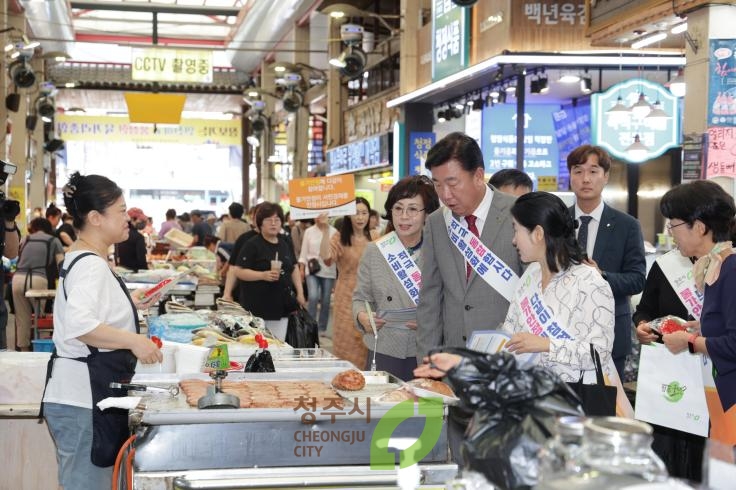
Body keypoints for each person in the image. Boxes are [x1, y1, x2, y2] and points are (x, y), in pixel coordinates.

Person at [42, 172, 162, 490]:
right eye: (121, 211)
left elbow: (89, 312)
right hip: (82, 399)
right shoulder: (91, 265)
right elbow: (81, 325)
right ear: (95, 218)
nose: (128, 218)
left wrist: (132, 303)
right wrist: (135, 340)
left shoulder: (86, 258)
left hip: (86, 396)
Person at [416, 192, 615, 381]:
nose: (513, 240)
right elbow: (508, 343)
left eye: (516, 230)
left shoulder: (590, 283)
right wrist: (460, 361)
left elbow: (600, 353)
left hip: (575, 405)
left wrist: (546, 345)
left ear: (537, 233)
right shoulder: (530, 276)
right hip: (527, 399)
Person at [417, 132, 524, 357]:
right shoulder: (437, 223)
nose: (445, 195)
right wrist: (427, 362)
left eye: (453, 183)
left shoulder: (519, 214)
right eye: (437, 185)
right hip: (452, 358)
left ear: (478, 175)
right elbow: (430, 299)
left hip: (507, 358)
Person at [651, 180, 736, 442]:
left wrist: (689, 342)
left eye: (673, 224)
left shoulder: (731, 269)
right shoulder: (715, 265)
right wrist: (702, 327)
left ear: (699, 227)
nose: (671, 233)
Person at [567, 144, 645, 379]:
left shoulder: (627, 225)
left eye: (593, 171)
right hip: (563, 332)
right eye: (578, 171)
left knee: (607, 409)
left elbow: (637, 280)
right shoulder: (557, 220)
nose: (585, 179)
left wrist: (601, 277)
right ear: (570, 176)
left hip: (609, 333)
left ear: (606, 176)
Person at [353, 176, 440, 380]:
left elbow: (451, 299)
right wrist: (362, 317)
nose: (404, 217)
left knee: (419, 410)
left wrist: (432, 321)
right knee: (385, 409)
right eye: (398, 208)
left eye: (413, 209)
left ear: (426, 214)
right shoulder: (374, 251)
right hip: (384, 346)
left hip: (425, 347)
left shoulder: (439, 250)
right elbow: (360, 298)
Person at [633, 247, 705, 480]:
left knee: (702, 455)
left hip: (709, 376)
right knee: (666, 449)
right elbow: (645, 308)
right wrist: (642, 325)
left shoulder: (725, 266)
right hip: (668, 372)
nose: (672, 232)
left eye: (676, 223)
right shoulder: (666, 265)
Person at [230, 202, 306, 340]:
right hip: (257, 307)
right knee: (258, 345)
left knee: (278, 344)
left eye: (277, 220)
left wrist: (300, 293)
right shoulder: (252, 244)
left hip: (282, 306)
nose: (273, 223)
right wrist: (262, 275)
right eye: (268, 220)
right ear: (260, 223)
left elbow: (293, 268)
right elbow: (239, 271)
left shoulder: (285, 242)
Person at [323, 197, 378, 368]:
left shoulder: (376, 236)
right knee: (346, 341)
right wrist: (325, 228)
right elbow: (326, 260)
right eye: (356, 213)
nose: (360, 217)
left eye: (364, 213)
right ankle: (346, 379)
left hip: (371, 297)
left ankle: (365, 380)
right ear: (348, 216)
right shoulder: (339, 238)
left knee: (367, 341)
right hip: (346, 296)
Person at [9, 217, 64, 351]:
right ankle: (42, 350)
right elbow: (61, 264)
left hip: (18, 279)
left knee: (22, 319)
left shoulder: (26, 239)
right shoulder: (53, 240)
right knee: (40, 318)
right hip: (38, 279)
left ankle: (24, 352)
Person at [298, 213, 337, 336]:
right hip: (312, 269)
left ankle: (322, 328)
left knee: (326, 300)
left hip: (329, 270)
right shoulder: (309, 231)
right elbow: (304, 252)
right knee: (313, 296)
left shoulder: (334, 232)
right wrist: (301, 269)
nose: (319, 216)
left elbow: (336, 254)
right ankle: (310, 325)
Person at [222, 203, 261, 302]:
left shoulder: (226, 225)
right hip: (246, 289)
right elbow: (234, 268)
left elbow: (221, 240)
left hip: (227, 254)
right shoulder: (245, 228)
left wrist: (227, 293)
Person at [115, 207, 148, 271]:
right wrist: (148, 271)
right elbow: (141, 260)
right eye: (141, 220)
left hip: (122, 270)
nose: (143, 223)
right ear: (132, 219)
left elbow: (116, 255)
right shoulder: (139, 237)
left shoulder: (120, 233)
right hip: (136, 273)